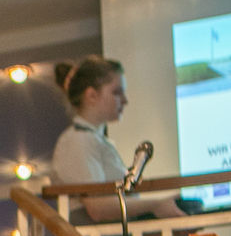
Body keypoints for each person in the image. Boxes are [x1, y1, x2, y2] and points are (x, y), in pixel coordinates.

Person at [49, 56, 184, 225]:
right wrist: (156, 205)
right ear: (92, 95)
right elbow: (98, 208)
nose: (125, 100)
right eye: (117, 92)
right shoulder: (78, 141)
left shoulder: (91, 139)